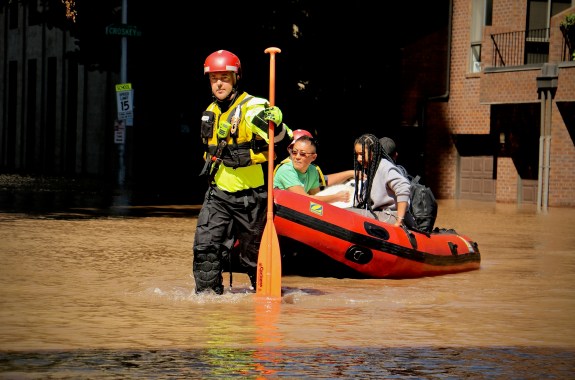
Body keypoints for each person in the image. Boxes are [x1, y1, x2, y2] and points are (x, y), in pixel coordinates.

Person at [193, 49, 291, 295]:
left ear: (236, 79)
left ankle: (262, 300)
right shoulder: (210, 112)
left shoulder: (254, 107)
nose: (219, 83)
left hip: (251, 197)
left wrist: (275, 125)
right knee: (206, 249)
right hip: (218, 193)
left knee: (253, 257)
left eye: (224, 78)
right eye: (214, 78)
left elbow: (283, 139)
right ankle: (207, 303)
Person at [348, 133, 414, 228]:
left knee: (348, 213)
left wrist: (399, 221)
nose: (358, 159)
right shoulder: (372, 168)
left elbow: (403, 187)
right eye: (357, 155)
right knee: (346, 211)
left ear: (373, 152)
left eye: (362, 154)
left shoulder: (385, 167)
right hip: (380, 214)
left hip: (391, 216)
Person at [273, 135, 351, 204]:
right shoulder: (286, 170)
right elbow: (304, 199)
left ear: (313, 157)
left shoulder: (313, 170)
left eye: (302, 154)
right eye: (294, 152)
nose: (297, 157)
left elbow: (317, 196)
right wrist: (336, 197)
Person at [274, 129, 355, 189]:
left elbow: (322, 182)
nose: (297, 155)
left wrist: (351, 173)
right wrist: (337, 197)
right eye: (293, 149)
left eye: (303, 152)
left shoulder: (312, 169)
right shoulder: (285, 168)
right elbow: (304, 197)